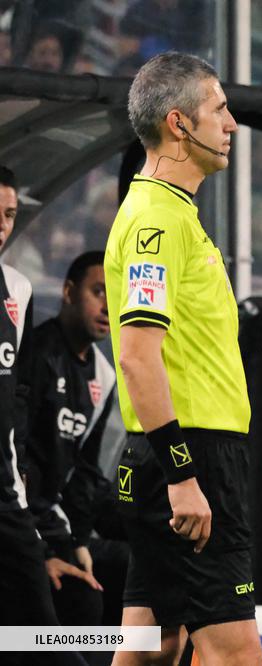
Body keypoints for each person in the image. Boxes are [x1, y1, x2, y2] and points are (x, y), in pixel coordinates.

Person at [104, 52, 262, 665]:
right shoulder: (156, 222)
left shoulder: (168, 213)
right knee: (235, 653)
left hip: (176, 455)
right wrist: (183, 476)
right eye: (219, 109)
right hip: (190, 454)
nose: (231, 123)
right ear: (179, 123)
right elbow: (137, 359)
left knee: (152, 644)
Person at [0, 165, 86, 665]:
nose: (2, 226)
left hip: (5, 498)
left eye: (10, 215)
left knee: (43, 634)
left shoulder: (19, 289)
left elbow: (18, 401)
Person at [24, 251, 116, 629]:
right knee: (83, 604)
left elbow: (86, 471)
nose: (109, 307)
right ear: (68, 292)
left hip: (56, 523)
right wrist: (39, 551)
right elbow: (14, 458)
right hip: (21, 524)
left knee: (145, 565)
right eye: (99, 291)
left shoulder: (104, 376)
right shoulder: (34, 355)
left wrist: (78, 541)